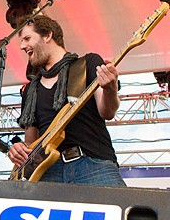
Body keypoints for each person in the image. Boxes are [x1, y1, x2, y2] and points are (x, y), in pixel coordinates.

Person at [7, 15, 126, 186]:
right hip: (49, 172)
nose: (22, 46)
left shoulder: (87, 64)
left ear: (47, 35)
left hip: (93, 165)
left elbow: (107, 112)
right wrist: (19, 150)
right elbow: (31, 142)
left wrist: (110, 89)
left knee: (118, 210)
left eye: (27, 38)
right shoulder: (31, 89)